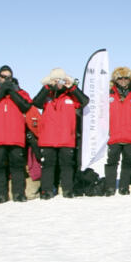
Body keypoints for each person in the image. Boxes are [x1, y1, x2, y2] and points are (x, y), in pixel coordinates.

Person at [0, 65, 33, 203]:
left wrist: (12, 90)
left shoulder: (21, 92)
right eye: (2, 76)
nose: (5, 79)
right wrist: (3, 89)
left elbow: (25, 106)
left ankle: (19, 194)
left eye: (8, 77)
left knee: (17, 167)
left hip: (16, 137)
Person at [32, 68, 89, 199]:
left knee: (67, 165)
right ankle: (46, 191)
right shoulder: (46, 96)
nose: (59, 83)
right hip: (47, 139)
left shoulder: (71, 96)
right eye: (55, 80)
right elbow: (36, 102)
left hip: (66, 139)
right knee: (47, 166)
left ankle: (67, 190)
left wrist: (72, 86)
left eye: (61, 80)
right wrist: (47, 87)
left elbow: (84, 101)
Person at [105, 66, 131, 196]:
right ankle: (110, 186)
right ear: (115, 80)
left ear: (130, 79)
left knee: (128, 163)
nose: (123, 80)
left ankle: (124, 186)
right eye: (120, 78)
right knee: (111, 162)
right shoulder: (109, 93)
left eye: (126, 78)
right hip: (114, 135)